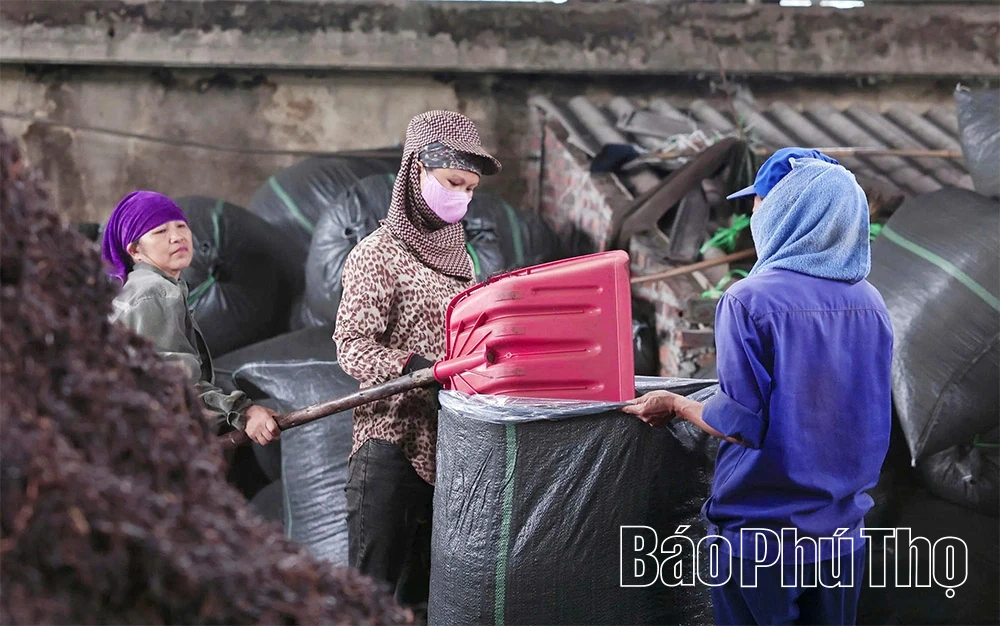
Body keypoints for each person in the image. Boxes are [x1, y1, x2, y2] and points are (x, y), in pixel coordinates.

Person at [624, 149, 893, 626]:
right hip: (841, 536)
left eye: (760, 203)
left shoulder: (750, 299)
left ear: (792, 211)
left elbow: (737, 425)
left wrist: (676, 404)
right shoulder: (871, 302)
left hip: (761, 537)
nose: (753, 217)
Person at [334, 110, 501, 607]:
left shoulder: (460, 262)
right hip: (390, 445)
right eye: (453, 182)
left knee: (426, 601)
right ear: (416, 172)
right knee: (373, 597)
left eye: (471, 189)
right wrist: (417, 369)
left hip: (448, 449)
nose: (463, 198)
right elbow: (352, 346)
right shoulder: (376, 254)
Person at [101, 191, 280, 446]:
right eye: (160, 232)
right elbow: (176, 386)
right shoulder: (155, 292)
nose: (177, 237)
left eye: (181, 226)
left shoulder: (139, 288)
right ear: (135, 250)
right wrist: (242, 412)